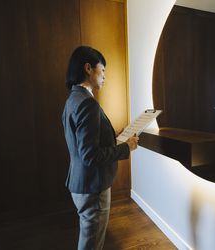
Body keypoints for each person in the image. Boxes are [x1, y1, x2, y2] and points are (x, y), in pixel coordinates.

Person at [62, 46, 139, 249]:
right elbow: (90, 155)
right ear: (88, 68)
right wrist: (127, 147)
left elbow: (84, 142)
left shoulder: (73, 99)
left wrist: (114, 135)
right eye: (102, 70)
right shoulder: (88, 103)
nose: (105, 76)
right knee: (91, 243)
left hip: (80, 182)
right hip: (92, 186)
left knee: (89, 238)